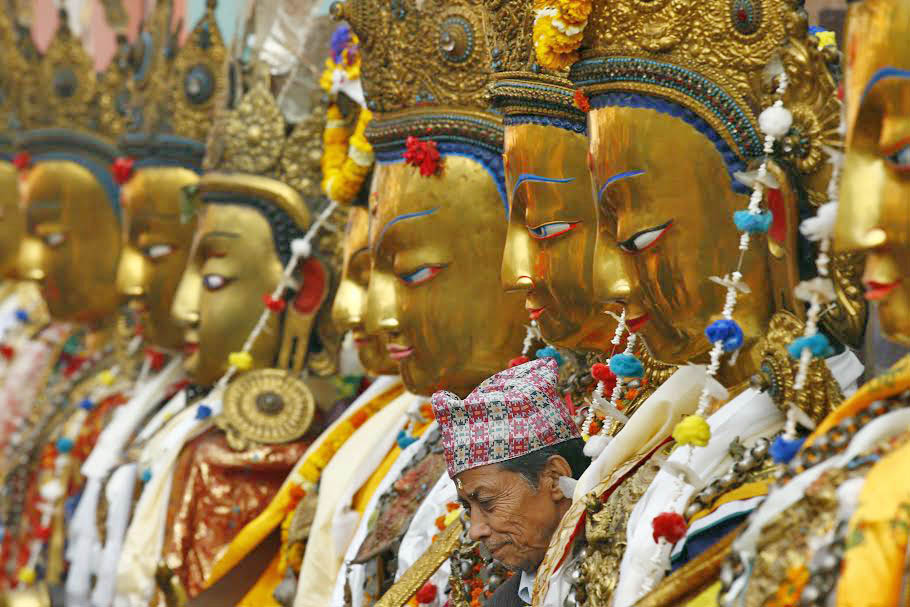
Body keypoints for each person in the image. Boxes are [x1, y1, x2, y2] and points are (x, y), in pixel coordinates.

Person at [431, 358, 589, 607]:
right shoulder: (505, 601)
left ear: (555, 478)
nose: (475, 530)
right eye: (467, 508)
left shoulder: (633, 556)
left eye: (487, 502)